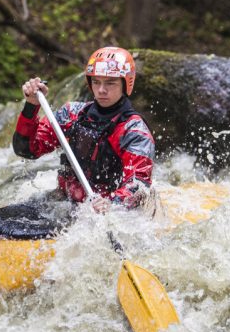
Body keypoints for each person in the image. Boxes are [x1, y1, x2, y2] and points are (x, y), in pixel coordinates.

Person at [12, 46, 155, 214]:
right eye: (96, 82)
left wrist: (112, 204)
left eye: (110, 83)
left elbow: (138, 186)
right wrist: (31, 106)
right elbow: (26, 150)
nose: (101, 89)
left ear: (125, 84)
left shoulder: (134, 131)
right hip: (64, 202)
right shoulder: (71, 114)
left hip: (106, 212)